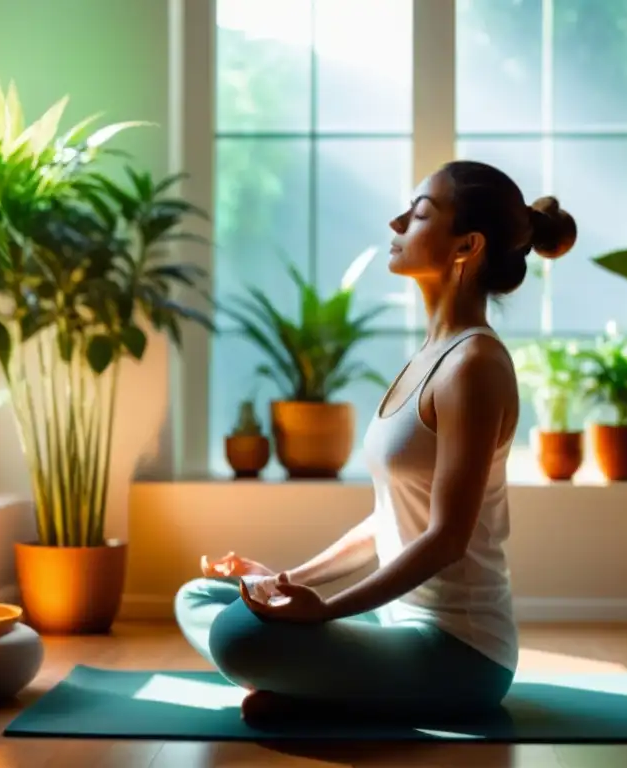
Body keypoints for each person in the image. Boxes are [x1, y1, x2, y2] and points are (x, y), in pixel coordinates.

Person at [175, 160, 577, 725]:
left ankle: (302, 685)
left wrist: (327, 613)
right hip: (393, 623)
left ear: (467, 246)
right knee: (201, 597)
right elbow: (387, 523)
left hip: (459, 653)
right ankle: (309, 685)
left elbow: (446, 539)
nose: (395, 223)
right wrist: (285, 581)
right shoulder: (428, 356)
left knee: (241, 635)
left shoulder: (475, 366)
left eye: (417, 215)